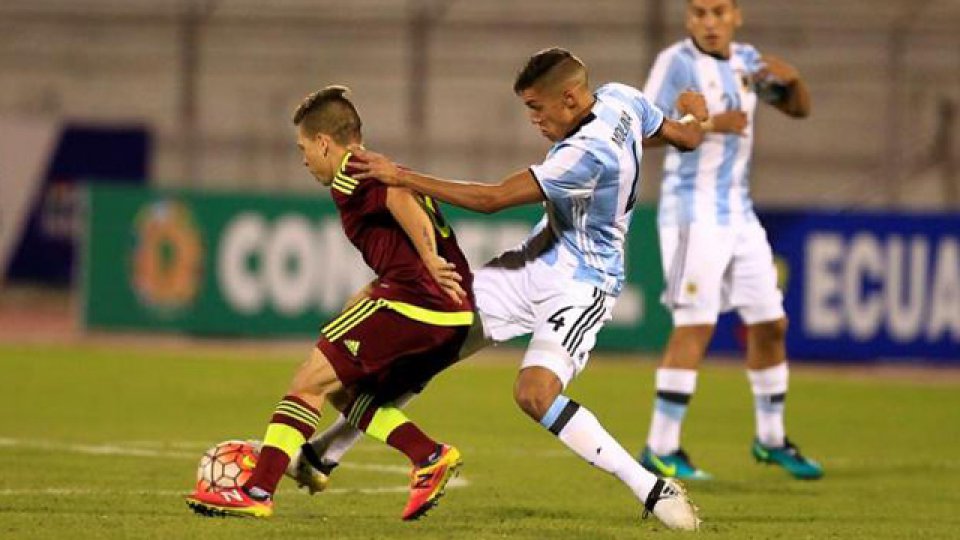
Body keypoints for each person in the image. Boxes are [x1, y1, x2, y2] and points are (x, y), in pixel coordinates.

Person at [294, 47, 708, 530]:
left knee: (534, 393)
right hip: (531, 263)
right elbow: (682, 137)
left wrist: (401, 176)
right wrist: (694, 116)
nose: (532, 119)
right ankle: (325, 453)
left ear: (571, 99)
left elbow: (490, 199)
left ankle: (651, 487)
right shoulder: (622, 100)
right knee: (437, 333)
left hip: (582, 285)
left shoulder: (584, 154)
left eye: (537, 107)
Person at [186, 85, 482, 520]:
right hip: (447, 309)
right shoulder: (372, 166)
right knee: (345, 391)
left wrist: (430, 260)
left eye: (303, 148)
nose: (304, 159)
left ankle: (257, 490)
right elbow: (396, 211)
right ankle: (427, 455)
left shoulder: (351, 170)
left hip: (417, 300)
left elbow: (399, 196)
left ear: (324, 142)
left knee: (308, 380)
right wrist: (372, 289)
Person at [636, 0, 823, 481]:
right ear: (688, 19)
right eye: (699, 12)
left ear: (736, 15)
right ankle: (660, 447)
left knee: (771, 323)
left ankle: (772, 438)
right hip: (690, 214)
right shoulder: (674, 63)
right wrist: (710, 123)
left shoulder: (747, 63)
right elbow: (638, 130)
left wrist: (795, 80)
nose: (709, 22)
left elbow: (797, 109)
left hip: (739, 213)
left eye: (718, 11)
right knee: (695, 325)